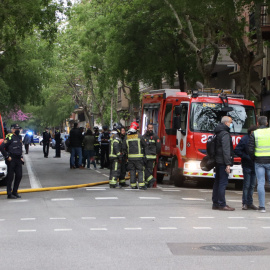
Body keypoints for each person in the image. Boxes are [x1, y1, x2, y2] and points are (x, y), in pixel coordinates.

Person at [212, 116, 235, 211]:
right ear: (226, 123)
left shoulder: (218, 132)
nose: (231, 124)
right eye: (230, 122)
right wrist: (228, 164)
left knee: (217, 182)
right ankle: (222, 204)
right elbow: (226, 150)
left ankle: (216, 203)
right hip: (223, 161)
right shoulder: (225, 134)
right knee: (223, 183)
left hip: (217, 160)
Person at [248, 116, 270, 213]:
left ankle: (262, 207)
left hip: (259, 161)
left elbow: (250, 150)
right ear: (266, 123)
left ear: (257, 123)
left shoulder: (255, 134)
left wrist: (254, 159)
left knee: (261, 183)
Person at [235, 125, 258, 210]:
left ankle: (249, 203)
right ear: (251, 132)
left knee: (252, 185)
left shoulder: (255, 139)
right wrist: (245, 156)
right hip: (247, 164)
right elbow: (237, 150)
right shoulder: (245, 139)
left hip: (254, 165)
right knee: (247, 185)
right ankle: (245, 203)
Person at [0, 124, 24, 199]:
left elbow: (20, 148)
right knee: (10, 177)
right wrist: (7, 156)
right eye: (16, 129)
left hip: (18, 159)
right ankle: (9, 193)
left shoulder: (19, 137)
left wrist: (21, 157)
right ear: (12, 129)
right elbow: (1, 147)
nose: (18, 130)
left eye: (18, 129)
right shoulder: (9, 137)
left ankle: (15, 191)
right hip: (11, 159)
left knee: (19, 175)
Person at [123, 122, 147, 190]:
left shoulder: (126, 137)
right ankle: (141, 185)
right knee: (140, 171)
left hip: (130, 158)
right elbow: (145, 145)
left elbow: (124, 148)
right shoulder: (139, 136)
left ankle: (133, 185)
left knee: (132, 171)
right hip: (139, 158)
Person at [143, 123, 161, 188]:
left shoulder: (155, 137)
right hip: (145, 157)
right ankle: (148, 182)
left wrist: (155, 154)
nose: (150, 129)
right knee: (144, 170)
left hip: (152, 157)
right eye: (149, 128)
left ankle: (150, 182)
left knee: (149, 170)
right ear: (147, 128)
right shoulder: (144, 136)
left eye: (151, 128)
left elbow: (158, 147)